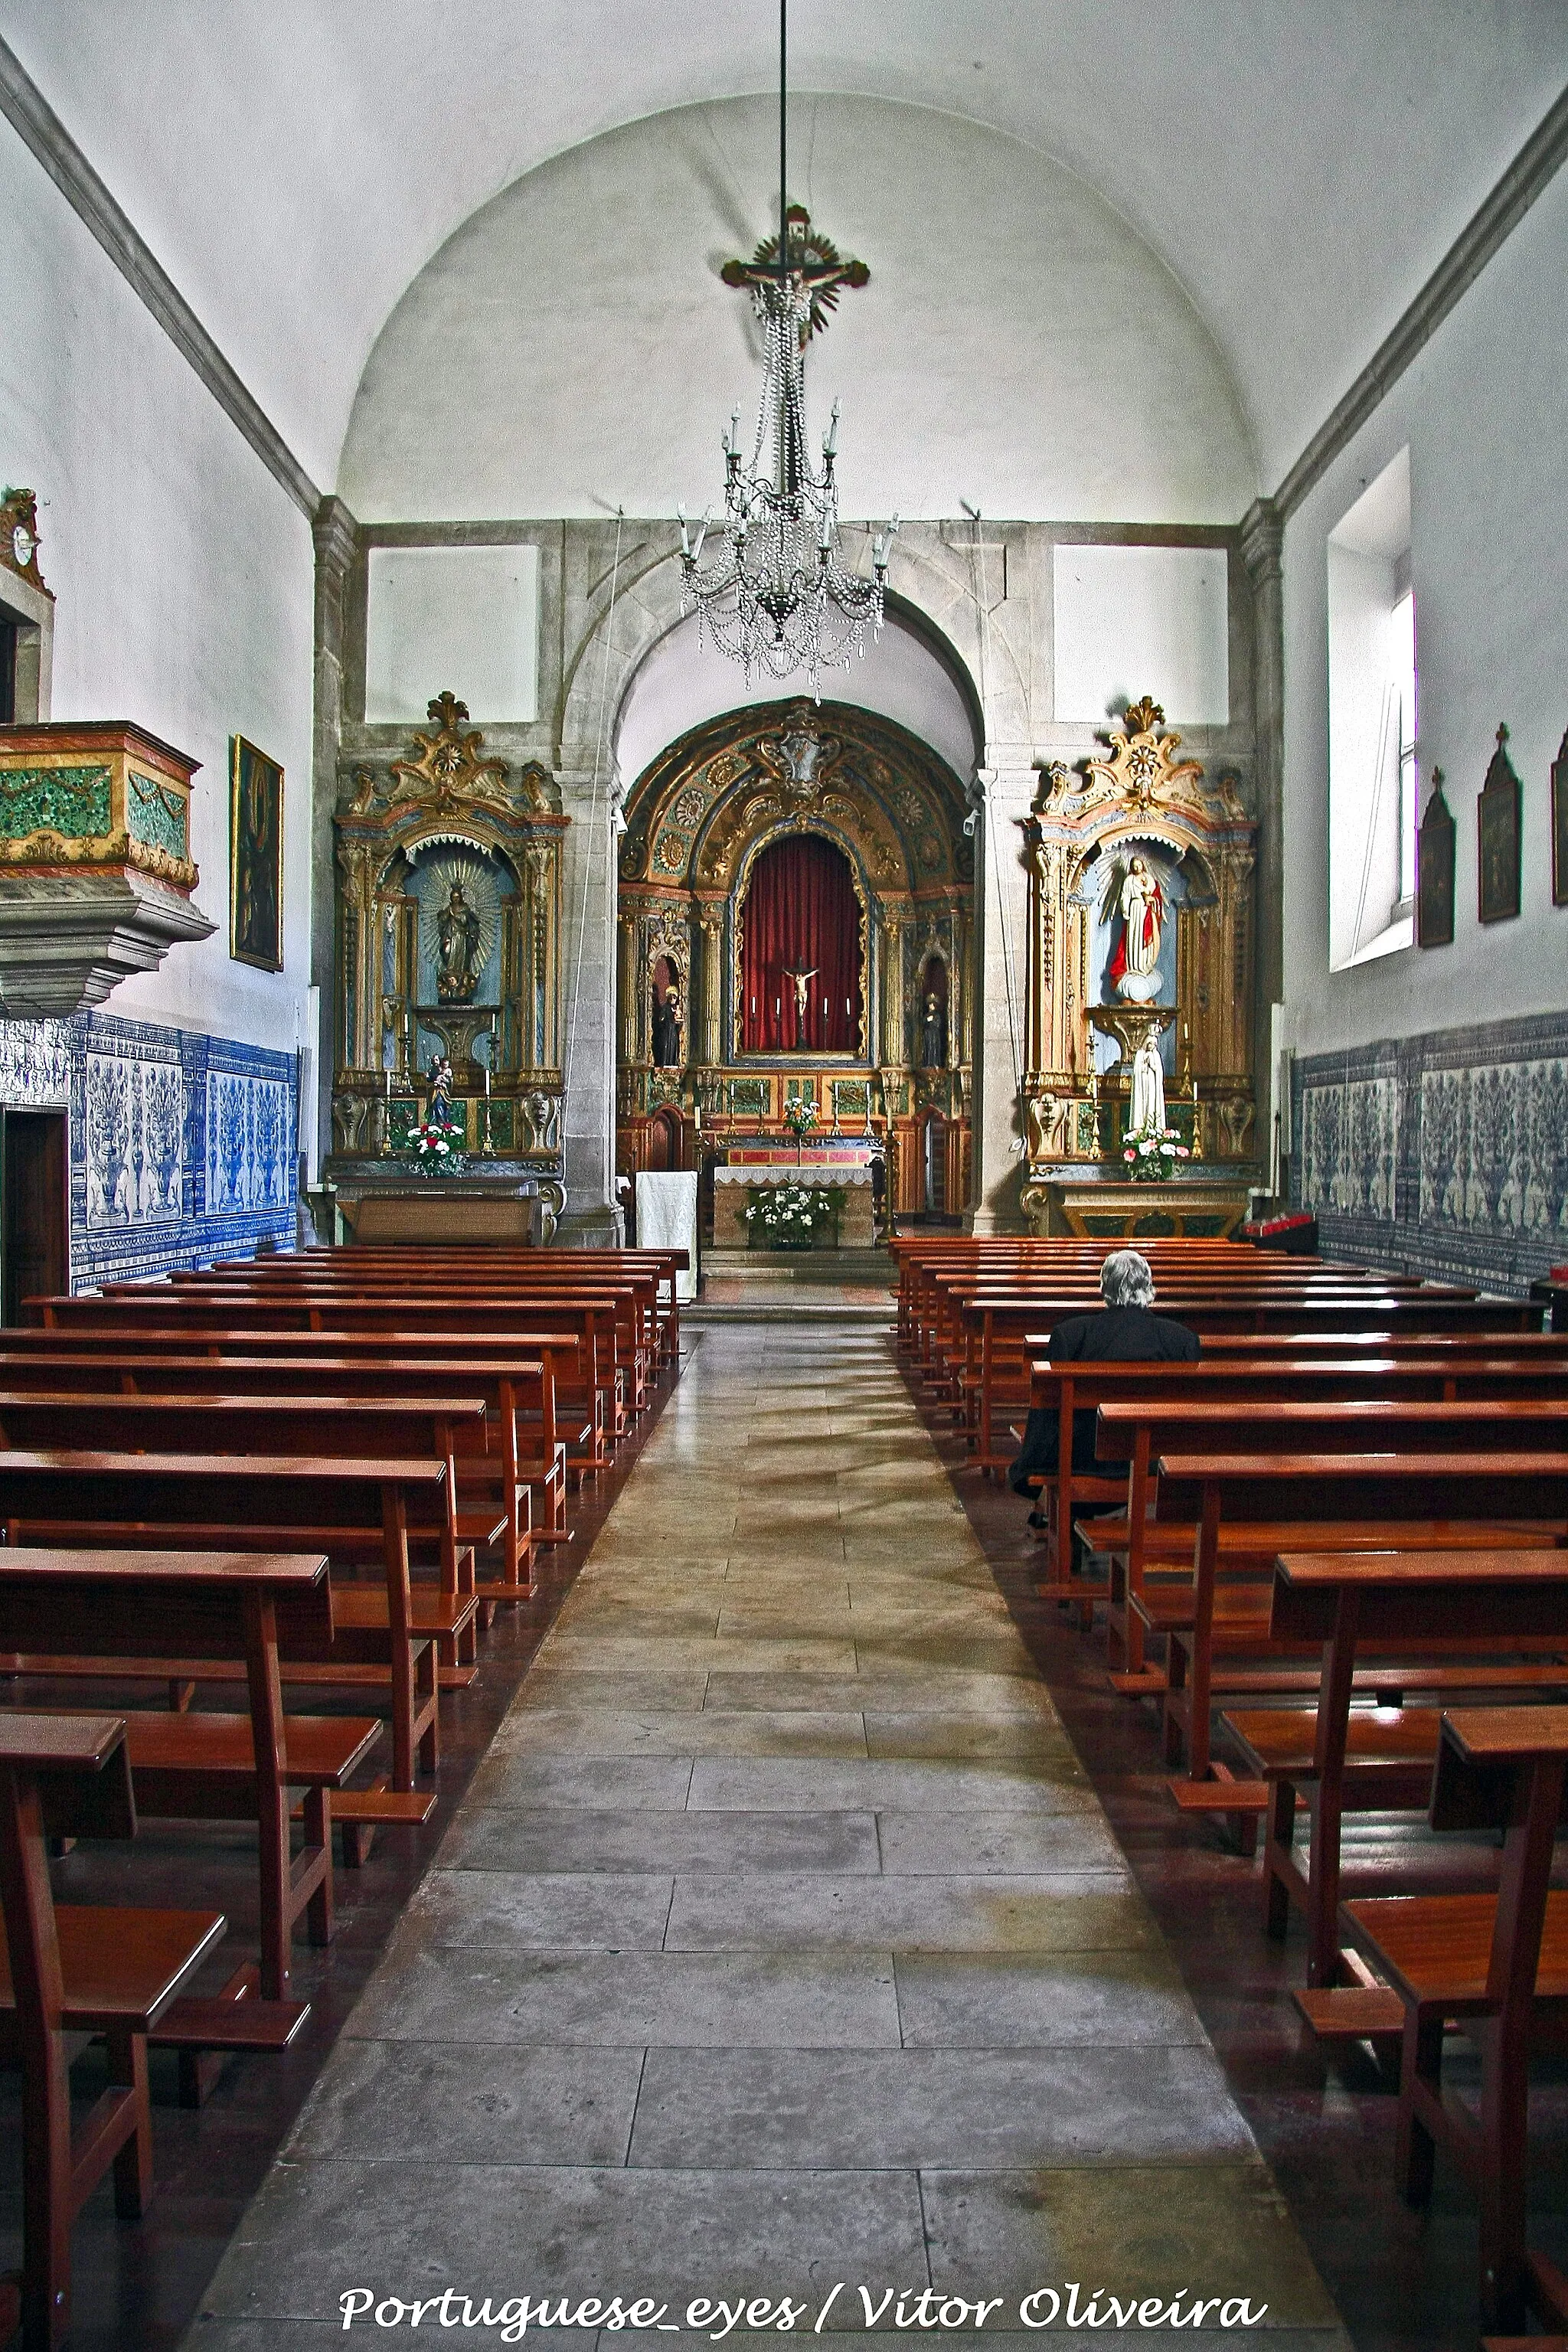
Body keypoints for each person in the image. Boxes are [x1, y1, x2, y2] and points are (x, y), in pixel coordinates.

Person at [1008, 1247, 1200, 1519]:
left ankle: (1065, 1526)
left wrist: (1028, 1469)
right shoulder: (1182, 1341)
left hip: (1085, 1461)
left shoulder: (1071, 1336)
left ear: (1104, 1287)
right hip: (1155, 1463)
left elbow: (1047, 1415)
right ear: (1149, 1287)